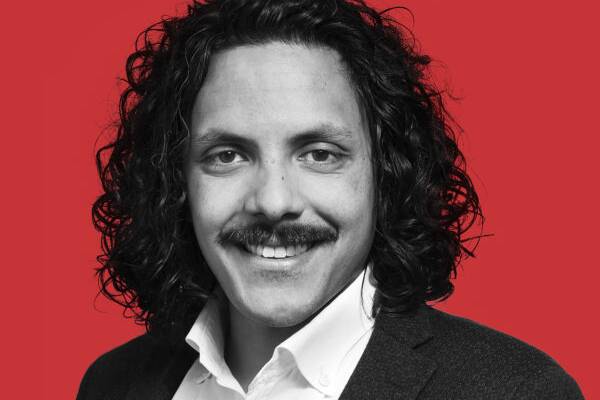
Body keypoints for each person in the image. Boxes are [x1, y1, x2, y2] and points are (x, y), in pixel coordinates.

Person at [77, 0, 583, 399]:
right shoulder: (114, 384)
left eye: (319, 154)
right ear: (177, 180)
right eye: (228, 155)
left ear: (386, 173)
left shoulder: (517, 392)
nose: (273, 201)